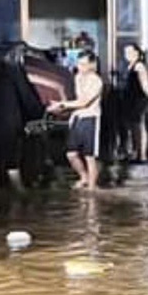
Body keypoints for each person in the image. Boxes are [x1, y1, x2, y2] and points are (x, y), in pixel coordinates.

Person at [0, 45, 43, 194]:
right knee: (12, 161)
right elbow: (30, 102)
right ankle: (19, 193)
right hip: (10, 127)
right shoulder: (15, 79)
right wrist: (37, 116)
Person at [57, 49, 106, 190]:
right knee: (71, 154)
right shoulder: (78, 77)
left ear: (92, 65)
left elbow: (84, 102)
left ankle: (92, 186)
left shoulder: (96, 81)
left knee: (90, 156)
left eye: (84, 64)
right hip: (77, 118)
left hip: (91, 119)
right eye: (79, 64)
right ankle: (83, 176)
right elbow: (76, 99)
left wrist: (63, 105)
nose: (81, 67)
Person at [121, 43, 148, 164]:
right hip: (130, 100)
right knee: (133, 127)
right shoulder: (129, 66)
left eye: (130, 52)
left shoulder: (139, 66)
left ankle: (141, 154)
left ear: (137, 53)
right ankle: (135, 151)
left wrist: (145, 100)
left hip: (138, 100)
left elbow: (146, 86)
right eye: (126, 53)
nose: (128, 55)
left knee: (139, 126)